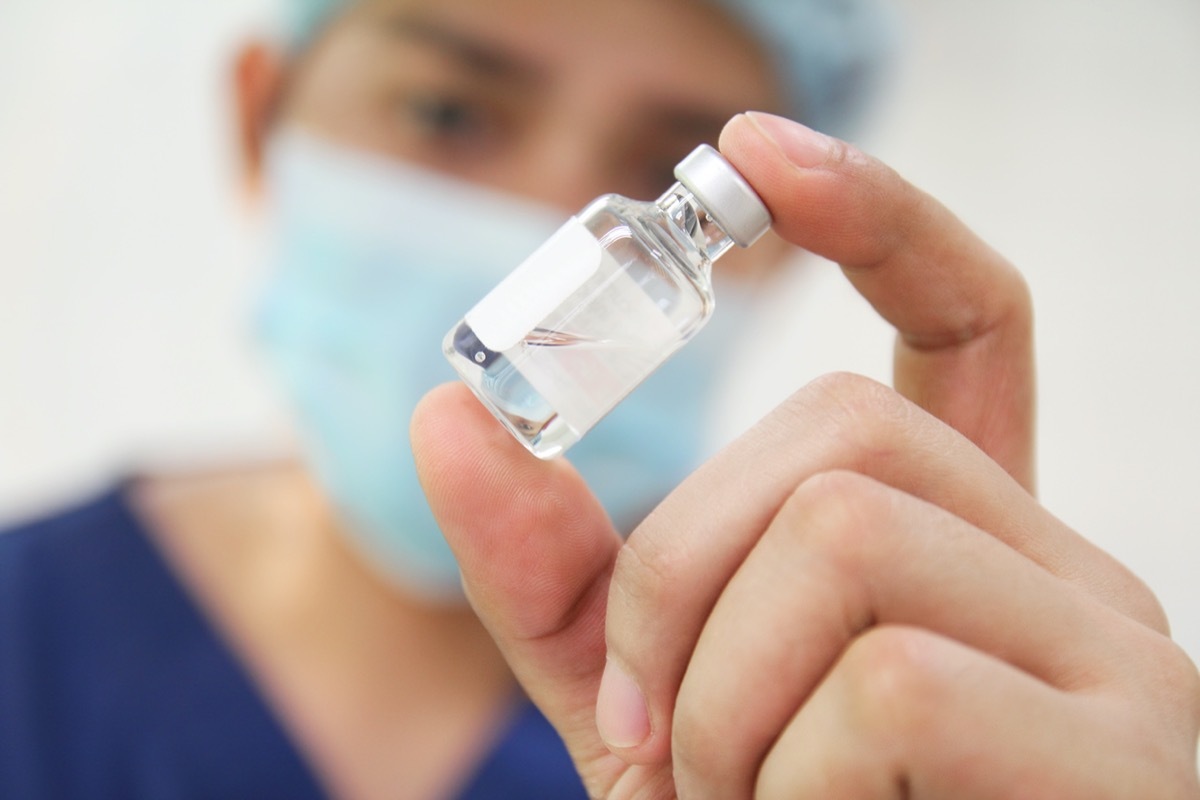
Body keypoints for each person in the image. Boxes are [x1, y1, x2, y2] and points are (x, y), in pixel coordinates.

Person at [1, 5, 1197, 800]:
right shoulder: (27, 633)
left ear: (775, 241)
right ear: (261, 117)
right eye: (448, 112)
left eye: (656, 151)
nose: (553, 218)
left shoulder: (810, 701)